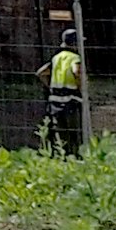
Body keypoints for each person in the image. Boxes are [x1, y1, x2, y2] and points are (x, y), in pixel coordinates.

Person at [40, 19, 87, 156]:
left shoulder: (56, 57)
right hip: (71, 99)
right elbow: (76, 73)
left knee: (61, 132)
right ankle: (76, 156)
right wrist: (82, 88)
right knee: (75, 133)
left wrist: (51, 86)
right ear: (74, 43)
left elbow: (41, 73)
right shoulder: (74, 58)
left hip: (54, 100)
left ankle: (63, 156)